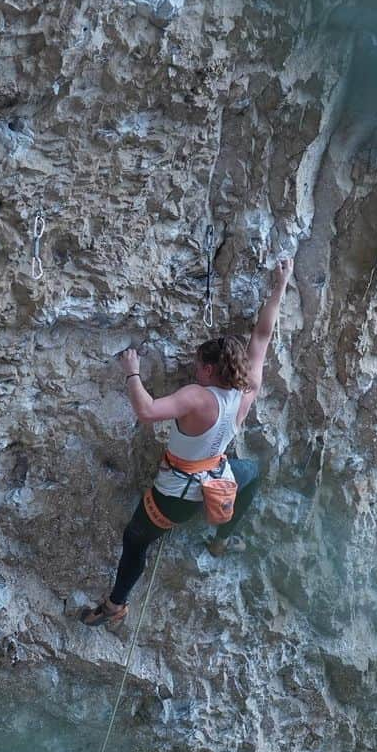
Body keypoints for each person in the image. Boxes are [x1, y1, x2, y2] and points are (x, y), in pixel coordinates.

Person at [80, 257, 294, 627]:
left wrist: (132, 371)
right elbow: (262, 335)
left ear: (209, 370)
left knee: (135, 540)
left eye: (199, 365)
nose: (195, 370)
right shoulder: (248, 390)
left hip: (176, 496)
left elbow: (146, 411)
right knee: (252, 472)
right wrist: (280, 286)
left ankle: (116, 606)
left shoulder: (197, 396)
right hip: (221, 479)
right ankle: (222, 539)